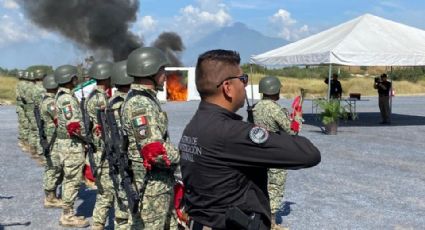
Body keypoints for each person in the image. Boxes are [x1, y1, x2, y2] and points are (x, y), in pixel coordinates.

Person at [179, 49, 321, 230]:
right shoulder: (230, 133)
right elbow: (309, 154)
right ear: (228, 88)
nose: (244, 86)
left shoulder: (196, 125)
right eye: (243, 79)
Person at [121, 47, 180, 229]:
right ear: (150, 71)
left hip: (158, 180)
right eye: (162, 70)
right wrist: (183, 158)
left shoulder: (144, 99)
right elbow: (154, 150)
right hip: (152, 183)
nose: (164, 74)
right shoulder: (141, 104)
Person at [253, 76, 301, 230]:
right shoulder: (274, 108)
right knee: (275, 186)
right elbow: (292, 131)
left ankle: (261, 216)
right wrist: (297, 119)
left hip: (258, 152)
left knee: (261, 186)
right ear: (273, 90)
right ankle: (272, 223)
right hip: (274, 153)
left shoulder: (256, 107)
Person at [54, 65, 90, 228]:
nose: (77, 79)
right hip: (71, 145)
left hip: (66, 143)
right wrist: (89, 139)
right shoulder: (67, 99)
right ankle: (67, 216)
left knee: (70, 178)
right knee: (72, 180)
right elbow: (74, 126)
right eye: (75, 77)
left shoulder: (61, 95)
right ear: (70, 79)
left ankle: (67, 212)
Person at [86, 61, 115, 230]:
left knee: (106, 191)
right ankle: (97, 225)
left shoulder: (95, 95)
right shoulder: (99, 99)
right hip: (102, 152)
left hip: (100, 150)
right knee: (106, 192)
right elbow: (102, 129)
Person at [108, 60, 134, 229]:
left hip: (115, 156)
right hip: (127, 159)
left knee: (121, 201)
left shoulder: (111, 102)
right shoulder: (127, 103)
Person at [40, 74, 64, 209]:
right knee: (53, 167)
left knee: (54, 166)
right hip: (53, 139)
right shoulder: (50, 103)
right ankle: (50, 198)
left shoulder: (46, 99)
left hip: (51, 138)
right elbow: (58, 119)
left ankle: (52, 194)